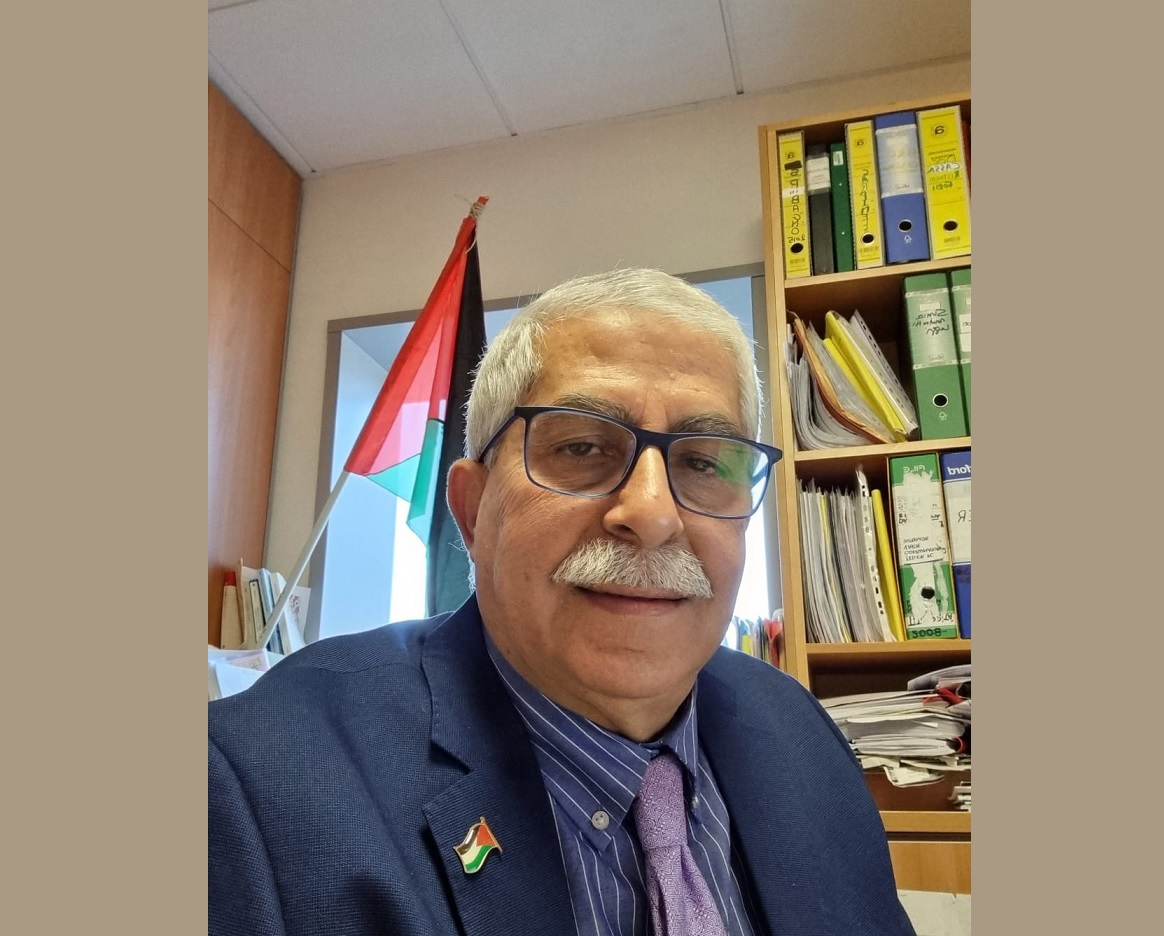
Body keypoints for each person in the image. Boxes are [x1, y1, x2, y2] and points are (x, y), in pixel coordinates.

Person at [209, 268, 916, 935]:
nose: (653, 514)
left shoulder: (800, 730)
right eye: (581, 447)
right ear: (473, 512)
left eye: (703, 461)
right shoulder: (253, 788)